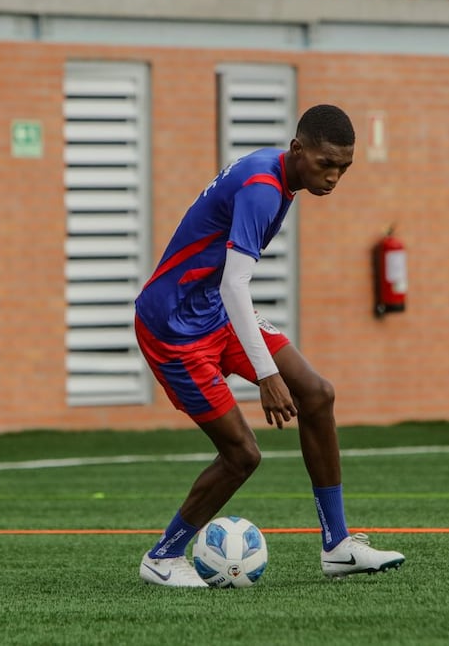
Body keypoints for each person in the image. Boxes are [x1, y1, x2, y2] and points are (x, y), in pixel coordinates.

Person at [134, 104, 406, 588]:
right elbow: (234, 285)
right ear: (297, 150)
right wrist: (266, 374)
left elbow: (226, 288)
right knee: (243, 455)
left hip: (213, 314)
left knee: (317, 394)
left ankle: (338, 545)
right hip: (174, 328)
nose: (335, 177)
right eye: (326, 164)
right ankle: (163, 556)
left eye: (344, 167)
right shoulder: (263, 188)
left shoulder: (277, 173)